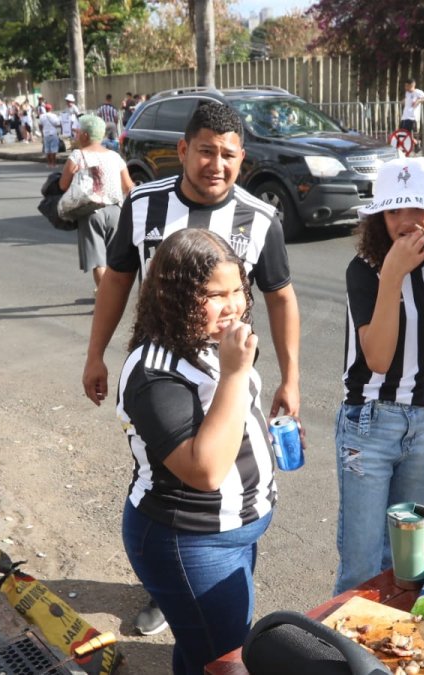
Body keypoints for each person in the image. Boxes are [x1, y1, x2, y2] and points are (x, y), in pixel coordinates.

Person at [82, 101, 300, 635]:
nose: (216, 164)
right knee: (170, 465)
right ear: (183, 150)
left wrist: (291, 377)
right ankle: (177, 585)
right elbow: (115, 280)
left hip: (223, 367)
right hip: (171, 377)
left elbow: (280, 297)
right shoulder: (143, 207)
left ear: (242, 159)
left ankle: (198, 584)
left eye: (228, 154)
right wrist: (96, 353)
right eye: (205, 150)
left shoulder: (260, 218)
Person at [117, 228, 275, 675]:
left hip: (234, 530)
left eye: (238, 290)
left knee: (202, 649)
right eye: (214, 295)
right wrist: (233, 374)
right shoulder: (153, 370)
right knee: (228, 662)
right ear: (176, 296)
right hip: (189, 540)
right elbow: (203, 470)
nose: (234, 306)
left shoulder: (212, 342)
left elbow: (232, 415)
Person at [334, 156, 424, 594]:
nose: (408, 222)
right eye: (394, 211)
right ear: (379, 218)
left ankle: (392, 652)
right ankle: (342, 658)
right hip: (369, 425)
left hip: (423, 424)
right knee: (363, 564)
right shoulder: (365, 271)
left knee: (409, 561)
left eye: (419, 210)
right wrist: (391, 276)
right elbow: (380, 359)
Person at [58, 115, 135, 290]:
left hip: (91, 213)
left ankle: (104, 299)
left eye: (78, 132)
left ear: (85, 135)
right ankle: (109, 295)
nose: (76, 135)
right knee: (112, 259)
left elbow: (63, 185)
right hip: (115, 211)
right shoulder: (115, 157)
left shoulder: (77, 155)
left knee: (98, 262)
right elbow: (128, 186)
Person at [39, 104, 61, 168]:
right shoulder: (54, 116)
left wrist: (42, 132)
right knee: (53, 150)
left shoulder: (42, 116)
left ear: (45, 109)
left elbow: (40, 125)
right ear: (51, 109)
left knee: (47, 150)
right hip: (53, 133)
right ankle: (53, 164)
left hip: (46, 134)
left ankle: (49, 164)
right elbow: (57, 124)